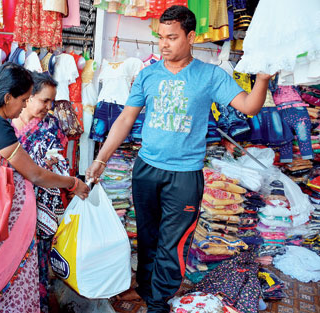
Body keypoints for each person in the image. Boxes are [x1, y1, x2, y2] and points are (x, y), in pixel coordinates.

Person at [86, 5, 272, 313]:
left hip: (184, 176)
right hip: (146, 169)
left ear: (191, 36)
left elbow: (249, 107)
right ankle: (146, 290)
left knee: (172, 244)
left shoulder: (210, 75)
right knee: (147, 237)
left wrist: (263, 79)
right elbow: (124, 121)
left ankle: (158, 303)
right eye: (161, 37)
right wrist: (101, 158)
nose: (164, 44)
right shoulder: (147, 75)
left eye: (172, 37)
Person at [0, 62, 89, 313]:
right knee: (4, 277)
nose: (22, 106)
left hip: (3, 218)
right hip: (1, 220)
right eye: (23, 99)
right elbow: (34, 173)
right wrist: (73, 182)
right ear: (8, 97)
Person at [12, 72, 68, 313]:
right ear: (28, 97)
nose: (48, 107)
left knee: (39, 263)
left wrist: (52, 164)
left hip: (42, 204)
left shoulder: (51, 125)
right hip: (13, 205)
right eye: (44, 100)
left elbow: (60, 161)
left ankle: (39, 306)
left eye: (51, 102)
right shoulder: (7, 125)